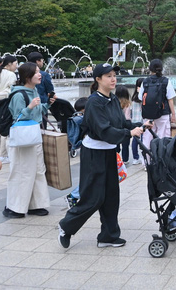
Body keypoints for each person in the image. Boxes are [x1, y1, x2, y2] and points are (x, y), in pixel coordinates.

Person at [58, 63, 148, 250]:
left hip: (109, 152)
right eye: (108, 76)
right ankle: (66, 226)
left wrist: (139, 125)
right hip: (94, 154)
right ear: (98, 79)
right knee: (93, 196)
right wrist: (128, 134)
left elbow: (121, 123)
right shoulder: (94, 102)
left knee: (111, 195)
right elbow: (104, 130)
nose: (113, 78)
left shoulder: (113, 99)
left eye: (114, 75)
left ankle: (108, 235)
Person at [3, 62, 51, 218]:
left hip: (34, 135)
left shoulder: (34, 90)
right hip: (22, 137)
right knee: (21, 171)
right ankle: (14, 207)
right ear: (27, 76)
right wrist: (30, 107)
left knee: (38, 170)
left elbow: (37, 112)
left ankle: (37, 205)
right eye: (36, 72)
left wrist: (47, 105)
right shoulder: (18, 94)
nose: (40, 74)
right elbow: (17, 117)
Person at [140, 59, 176, 170]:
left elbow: (140, 98)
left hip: (148, 115)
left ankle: (147, 162)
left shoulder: (145, 82)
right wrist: (173, 115)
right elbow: (170, 100)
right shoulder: (166, 81)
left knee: (147, 137)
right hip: (163, 114)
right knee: (162, 137)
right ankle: (161, 161)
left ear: (150, 68)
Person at [0, 55, 18, 162]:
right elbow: (12, 90)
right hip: (6, 104)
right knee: (5, 129)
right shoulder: (11, 75)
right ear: (9, 64)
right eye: (15, 64)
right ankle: (4, 154)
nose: (16, 66)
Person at [65, 97, 88, 209]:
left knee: (92, 176)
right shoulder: (83, 119)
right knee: (92, 176)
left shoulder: (77, 118)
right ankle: (74, 195)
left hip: (85, 149)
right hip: (89, 149)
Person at [115, 86, 133, 164]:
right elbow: (127, 117)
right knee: (125, 144)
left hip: (116, 125)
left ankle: (116, 157)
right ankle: (125, 160)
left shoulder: (114, 103)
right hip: (126, 125)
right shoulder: (127, 104)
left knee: (116, 143)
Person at [129, 78, 144, 165]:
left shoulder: (134, 96)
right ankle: (142, 157)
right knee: (142, 140)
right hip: (140, 121)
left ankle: (135, 158)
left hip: (134, 121)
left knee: (135, 139)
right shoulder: (140, 96)